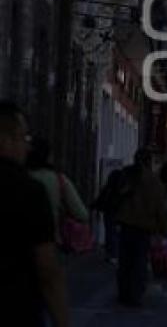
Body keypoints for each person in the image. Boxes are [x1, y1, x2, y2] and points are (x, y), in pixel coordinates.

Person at [0, 101, 69, 327]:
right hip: (15, 309)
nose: (26, 147)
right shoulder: (28, 190)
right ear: (6, 139)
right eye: (23, 138)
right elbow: (47, 269)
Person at [115, 148, 167, 306]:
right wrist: (165, 231)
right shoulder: (154, 182)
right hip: (144, 227)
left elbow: (118, 196)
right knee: (139, 261)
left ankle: (123, 293)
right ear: (149, 161)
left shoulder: (126, 175)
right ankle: (135, 294)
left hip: (126, 224)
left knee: (124, 261)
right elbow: (160, 209)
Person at [27, 137, 89, 246]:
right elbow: (82, 214)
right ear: (48, 156)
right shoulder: (59, 180)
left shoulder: (17, 176)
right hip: (51, 241)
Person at [93, 168, 127, 264]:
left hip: (109, 214)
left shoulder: (108, 189)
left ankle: (111, 253)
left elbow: (100, 200)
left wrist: (95, 206)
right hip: (118, 215)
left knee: (110, 234)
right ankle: (115, 254)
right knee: (116, 235)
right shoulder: (122, 190)